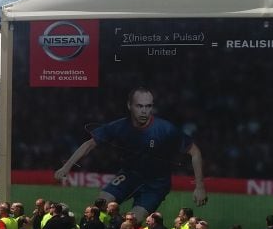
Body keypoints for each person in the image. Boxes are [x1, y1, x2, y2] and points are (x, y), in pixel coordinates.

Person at [53, 87, 207, 218]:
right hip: (129, 174)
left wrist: (199, 186)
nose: (144, 111)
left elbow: (195, 152)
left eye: (148, 106)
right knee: (98, 207)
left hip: (156, 184)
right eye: (139, 106)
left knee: (131, 222)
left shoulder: (166, 129)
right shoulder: (119, 126)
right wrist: (66, 167)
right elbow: (89, 144)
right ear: (129, 105)